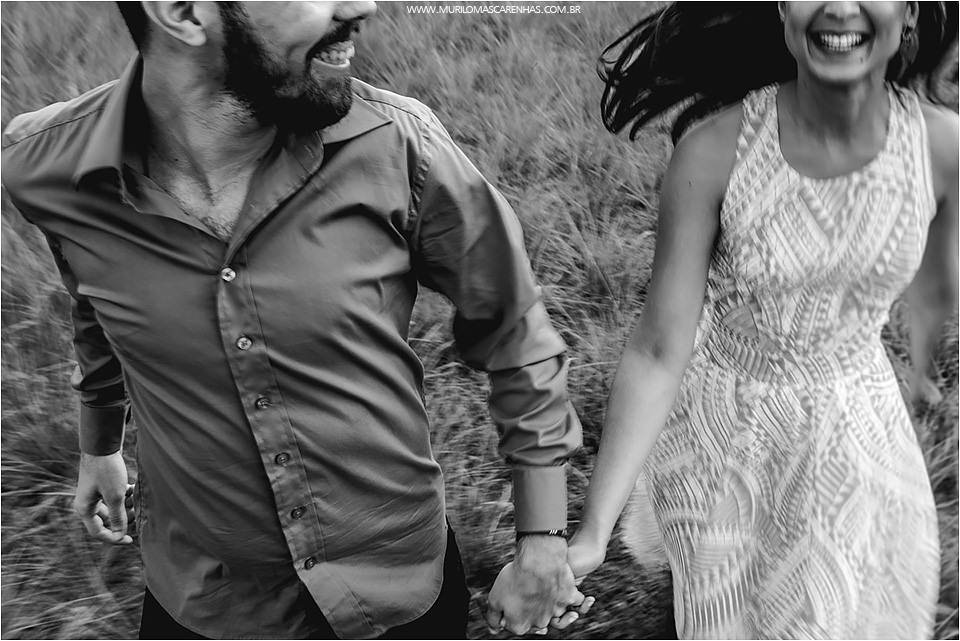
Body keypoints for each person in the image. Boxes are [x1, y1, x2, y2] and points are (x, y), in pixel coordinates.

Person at [1, 2, 593, 638]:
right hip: (207, 603)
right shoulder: (47, 169)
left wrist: (542, 543)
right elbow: (94, 301)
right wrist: (100, 444)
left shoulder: (398, 145)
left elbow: (515, 334)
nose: (361, 5)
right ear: (181, 12)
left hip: (397, 595)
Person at [566, 1, 958, 638]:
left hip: (852, 431)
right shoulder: (715, 151)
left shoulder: (942, 149)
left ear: (910, 11)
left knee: (826, 613)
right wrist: (591, 534)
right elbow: (659, 349)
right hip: (728, 437)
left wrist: (923, 355)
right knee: (730, 612)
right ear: (780, 7)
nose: (837, 5)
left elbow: (937, 267)